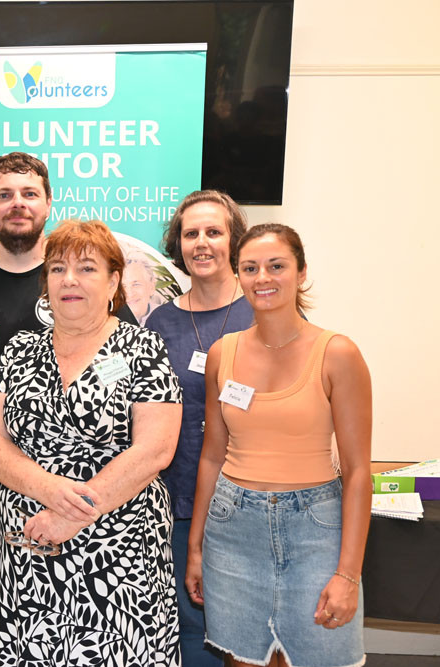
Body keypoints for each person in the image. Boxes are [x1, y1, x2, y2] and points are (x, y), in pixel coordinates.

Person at [0, 152, 136, 665]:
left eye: (28, 194)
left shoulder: (83, 281)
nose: (16, 205)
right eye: (4, 195)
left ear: (47, 202)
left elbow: (129, 374)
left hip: (79, 507)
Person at [0, 219, 183, 666]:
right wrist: (52, 494)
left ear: (113, 282)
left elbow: (155, 449)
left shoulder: (142, 348)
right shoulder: (17, 351)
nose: (69, 279)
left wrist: (74, 513)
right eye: (57, 269)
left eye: (86, 268)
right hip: (30, 556)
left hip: (120, 563)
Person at [186, 223, 372, 667]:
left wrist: (348, 573)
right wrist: (195, 548)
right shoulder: (221, 353)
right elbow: (212, 456)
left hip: (315, 531)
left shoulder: (337, 353)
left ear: (301, 272)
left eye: (276, 266)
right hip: (232, 531)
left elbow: (359, 471)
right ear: (238, 275)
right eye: (250, 268)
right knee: (243, 661)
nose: (263, 278)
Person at [145, 190, 254, 666]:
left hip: (250, 497)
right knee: (191, 623)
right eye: (191, 234)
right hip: (178, 497)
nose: (202, 243)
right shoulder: (159, 320)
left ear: (234, 241)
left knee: (250, 627)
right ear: (178, 244)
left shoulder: (263, 309)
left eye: (214, 232)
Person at [123, 252, 166, 326]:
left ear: (151, 287)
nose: (129, 293)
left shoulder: (167, 318)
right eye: (123, 286)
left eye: (136, 284)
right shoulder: (107, 322)